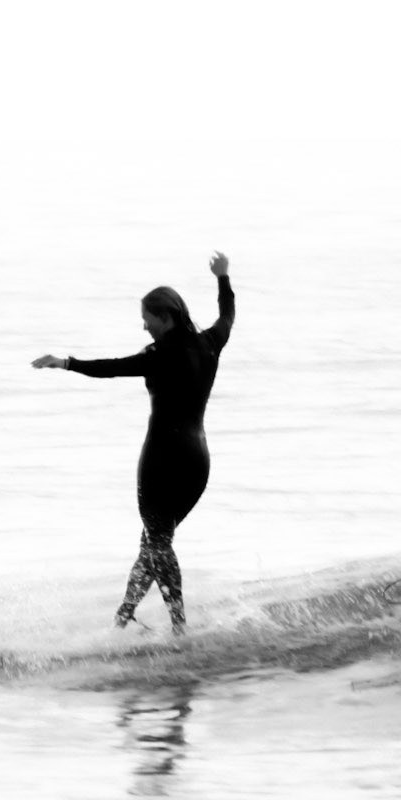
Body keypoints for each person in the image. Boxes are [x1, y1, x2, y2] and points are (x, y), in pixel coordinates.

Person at [33, 251, 235, 634]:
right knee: (154, 542)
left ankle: (178, 630)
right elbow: (227, 316)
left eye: (148, 320)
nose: (144, 328)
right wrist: (223, 278)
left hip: (162, 460)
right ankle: (123, 619)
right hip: (197, 462)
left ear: (166, 317)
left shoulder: (158, 355)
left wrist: (66, 363)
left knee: (157, 542)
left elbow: (112, 368)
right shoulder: (210, 343)